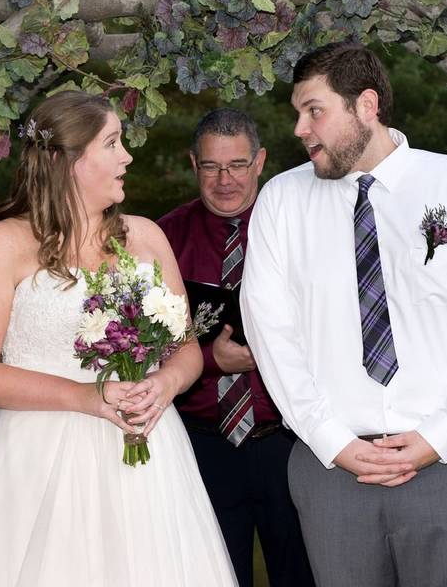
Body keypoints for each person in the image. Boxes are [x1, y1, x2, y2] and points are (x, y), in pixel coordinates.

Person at [241, 43, 447, 587]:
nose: (301, 129)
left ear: (366, 105)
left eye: (314, 110)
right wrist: (333, 442)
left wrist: (439, 435)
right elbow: (270, 334)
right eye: (297, 114)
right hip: (331, 472)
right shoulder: (281, 200)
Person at [0, 91, 236, 586]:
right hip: (40, 456)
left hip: (147, 451)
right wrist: (86, 396)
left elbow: (184, 346)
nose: (127, 156)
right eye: (113, 143)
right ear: (69, 160)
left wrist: (164, 384)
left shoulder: (146, 237)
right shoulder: (6, 244)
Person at [157, 108, 314, 587]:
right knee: (213, 575)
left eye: (238, 165)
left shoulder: (300, 230)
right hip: (202, 444)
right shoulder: (164, 238)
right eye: (210, 166)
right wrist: (209, 362)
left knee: (303, 575)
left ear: (261, 160)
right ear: (193, 164)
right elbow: (139, 349)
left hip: (289, 443)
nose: (225, 180)